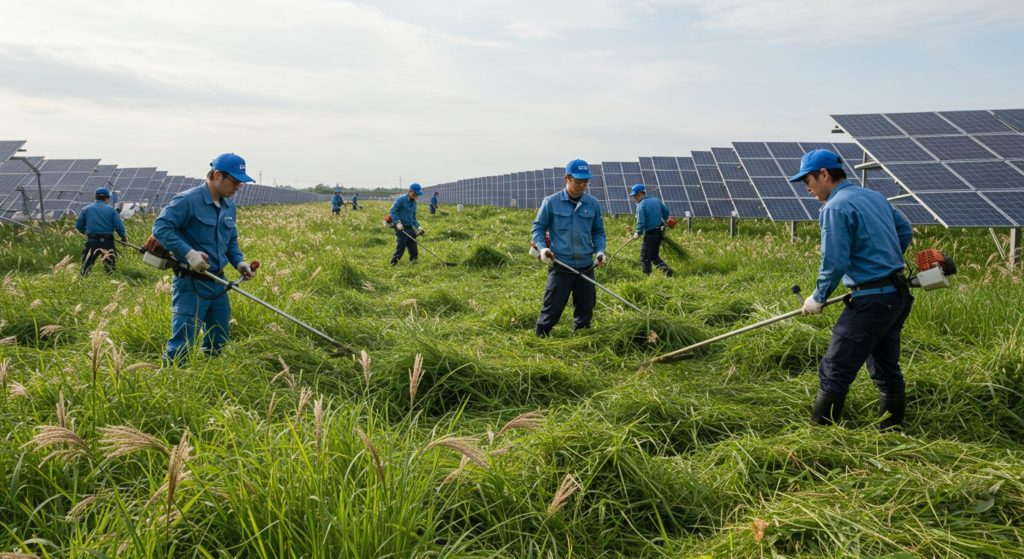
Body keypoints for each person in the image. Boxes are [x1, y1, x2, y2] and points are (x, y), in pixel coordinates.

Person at [790, 149, 913, 430]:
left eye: (807, 180)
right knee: (885, 366)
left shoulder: (835, 208)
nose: (806, 188)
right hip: (896, 294)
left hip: (871, 302)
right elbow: (905, 231)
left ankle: (819, 436)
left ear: (824, 174)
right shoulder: (873, 196)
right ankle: (892, 431)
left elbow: (834, 262)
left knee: (835, 368)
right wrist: (884, 262)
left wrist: (817, 298)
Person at [152, 153, 257, 365]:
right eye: (235, 182)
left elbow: (231, 243)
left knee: (219, 338)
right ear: (218, 175)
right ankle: (172, 378)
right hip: (191, 283)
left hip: (219, 283)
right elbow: (161, 228)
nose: (238, 187)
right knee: (183, 342)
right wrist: (189, 253)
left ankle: (211, 378)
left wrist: (239, 263)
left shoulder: (229, 208)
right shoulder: (188, 200)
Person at [531, 159, 607, 336]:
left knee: (586, 308)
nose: (582, 185)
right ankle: (540, 338)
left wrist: (600, 251)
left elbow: (598, 232)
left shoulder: (593, 204)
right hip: (561, 265)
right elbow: (538, 228)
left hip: (586, 266)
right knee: (553, 307)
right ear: (567, 178)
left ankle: (581, 338)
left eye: (585, 181)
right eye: (578, 181)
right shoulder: (551, 202)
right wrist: (542, 249)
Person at [75, 187, 127, 276]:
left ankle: (83, 283)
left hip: (92, 241)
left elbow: (79, 226)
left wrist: (87, 232)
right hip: (108, 242)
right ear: (107, 198)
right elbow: (119, 227)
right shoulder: (111, 210)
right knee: (110, 269)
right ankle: (110, 284)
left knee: (86, 267)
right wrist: (123, 237)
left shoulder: (86, 209)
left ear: (95, 197)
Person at [630, 183, 673, 277]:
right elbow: (666, 212)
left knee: (644, 257)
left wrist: (638, 232)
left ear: (641, 193)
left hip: (650, 234)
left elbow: (641, 221)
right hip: (660, 232)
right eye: (634, 196)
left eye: (636, 195)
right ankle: (667, 270)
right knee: (654, 255)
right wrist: (666, 220)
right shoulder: (656, 200)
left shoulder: (641, 205)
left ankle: (647, 277)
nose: (635, 198)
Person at [388, 183, 424, 265]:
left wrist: (419, 227)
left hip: (410, 227)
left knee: (413, 247)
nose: (416, 196)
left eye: (417, 194)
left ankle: (413, 262)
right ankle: (393, 263)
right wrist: (397, 222)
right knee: (401, 246)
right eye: (415, 193)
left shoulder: (414, 203)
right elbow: (392, 212)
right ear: (410, 191)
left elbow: (413, 218)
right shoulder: (401, 200)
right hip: (401, 227)